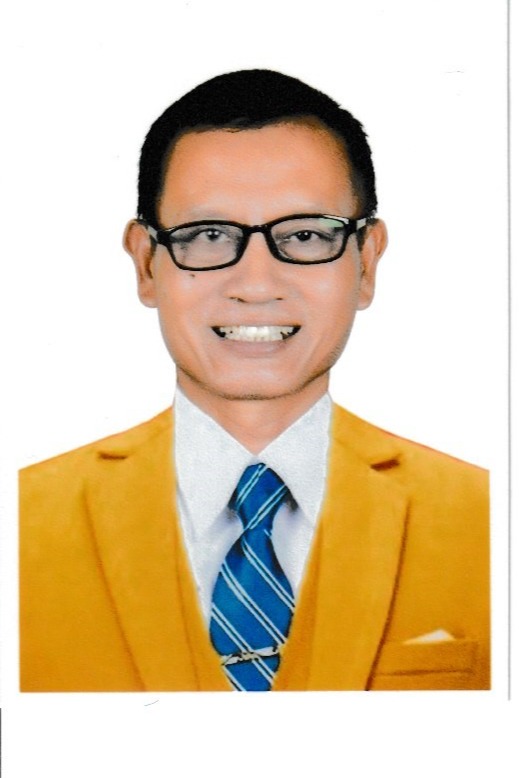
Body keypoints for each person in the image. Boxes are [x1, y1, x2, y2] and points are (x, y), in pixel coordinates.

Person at [19, 69, 489, 692]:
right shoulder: (19, 522)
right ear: (146, 263)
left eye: (306, 235)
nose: (257, 284)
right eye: (209, 236)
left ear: (367, 263)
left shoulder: (489, 520)